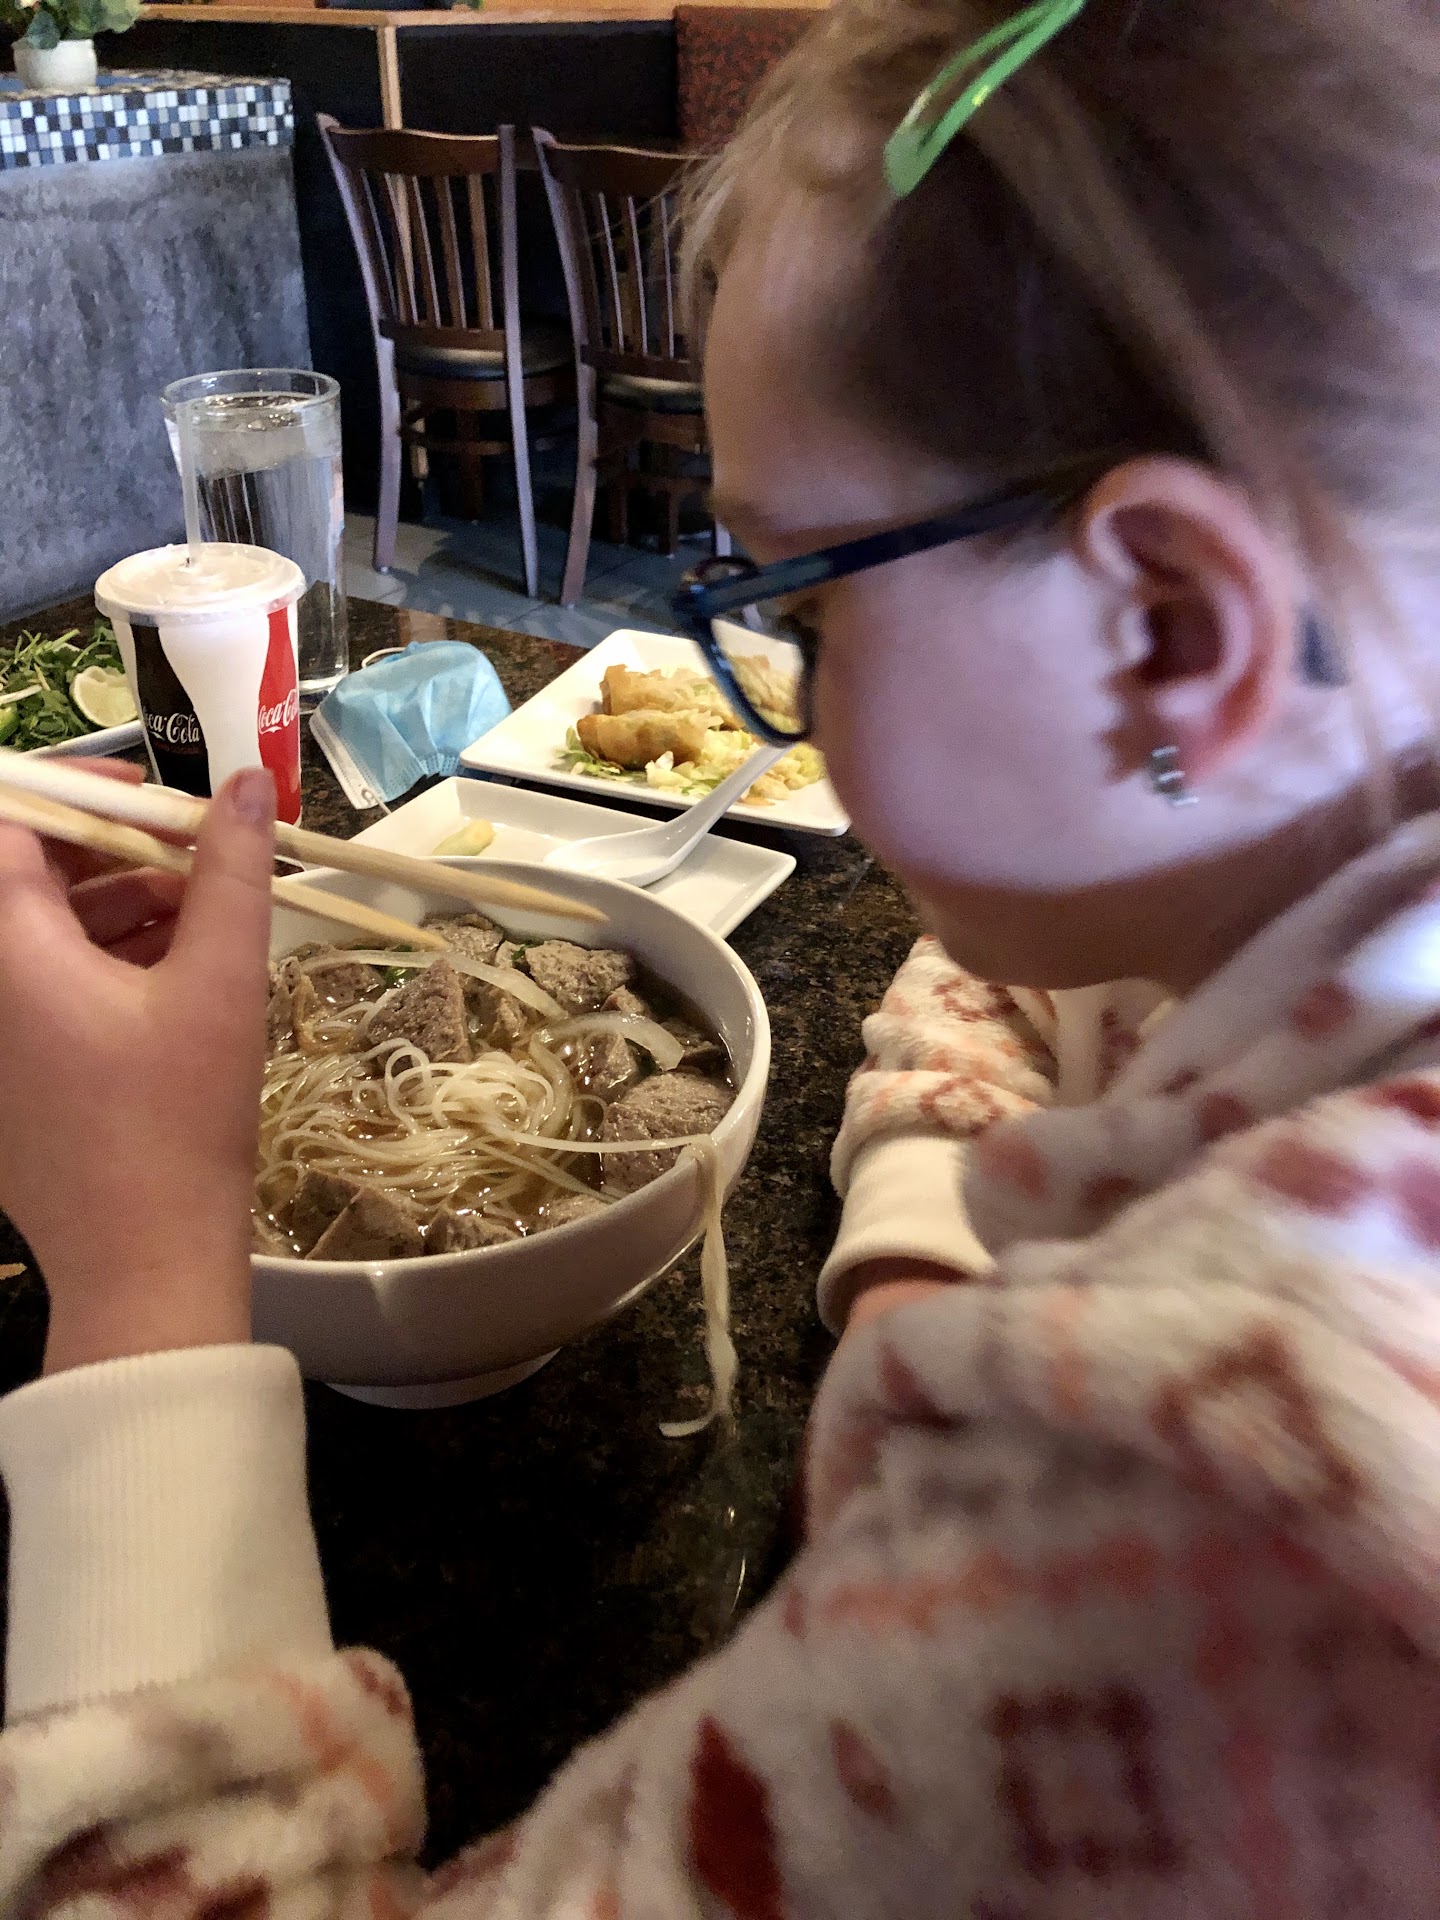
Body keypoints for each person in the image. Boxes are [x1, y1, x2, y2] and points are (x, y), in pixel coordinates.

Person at [4, 0, 1440, 1909]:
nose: (784, 692)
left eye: (799, 613)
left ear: (1175, 628)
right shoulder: (1301, 853)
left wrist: (139, 1263)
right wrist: (920, 1251)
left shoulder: (1206, 1516)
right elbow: (1045, 962)